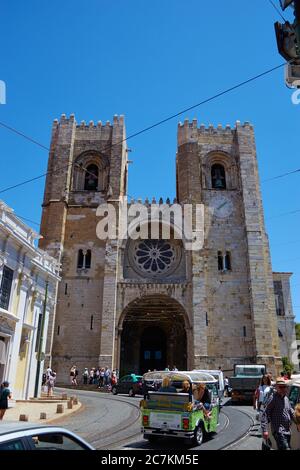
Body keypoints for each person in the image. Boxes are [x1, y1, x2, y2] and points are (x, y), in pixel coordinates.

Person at [261, 377, 295, 450]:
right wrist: (265, 430)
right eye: (281, 387)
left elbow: (291, 411)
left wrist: (297, 419)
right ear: (276, 387)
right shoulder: (273, 398)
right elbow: (265, 414)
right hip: (278, 431)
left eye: (284, 387)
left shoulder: (286, 398)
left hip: (287, 431)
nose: (283, 389)